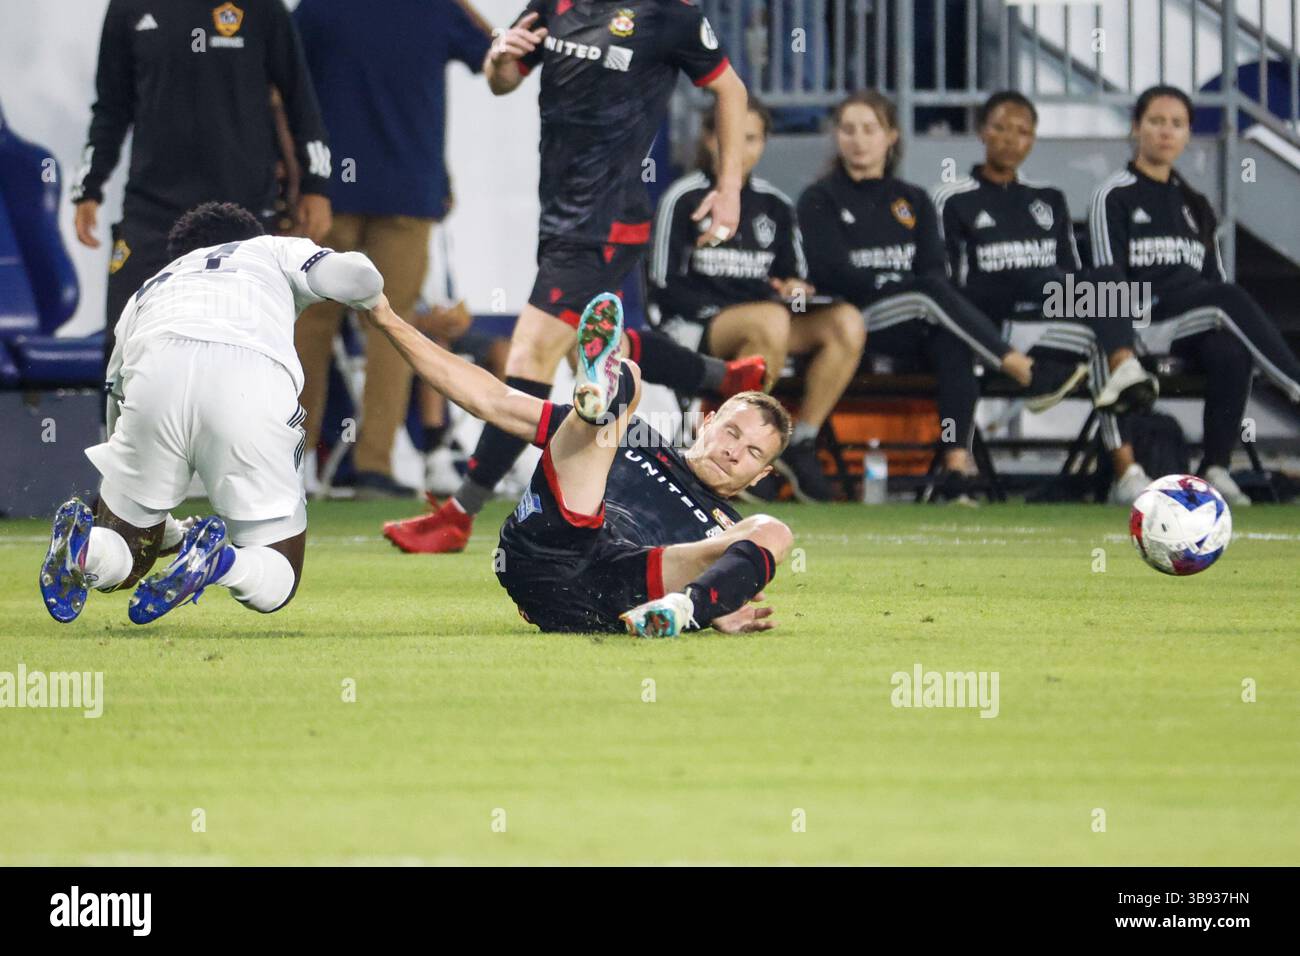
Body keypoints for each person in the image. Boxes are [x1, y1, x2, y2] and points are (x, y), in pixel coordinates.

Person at [385, 0, 765, 553]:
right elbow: (503, 80)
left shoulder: (669, 16)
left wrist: (727, 187)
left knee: (529, 356)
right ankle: (721, 378)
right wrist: (499, 58)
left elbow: (730, 89)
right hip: (560, 214)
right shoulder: (554, 5)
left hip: (608, 219)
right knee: (586, 346)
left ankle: (459, 512)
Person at [366, 290, 792, 637]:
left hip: (619, 591)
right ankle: (601, 398)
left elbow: (731, 568)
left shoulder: (729, 533)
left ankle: (683, 611)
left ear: (761, 474)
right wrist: (388, 317)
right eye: (733, 433)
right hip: (553, 540)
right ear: (708, 422)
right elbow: (492, 400)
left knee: (773, 530)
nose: (734, 452)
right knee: (630, 382)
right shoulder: (639, 437)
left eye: (753, 453)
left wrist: (720, 601)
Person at [38, 202, 382, 626]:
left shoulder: (151, 288)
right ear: (250, 234)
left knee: (128, 557)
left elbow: (117, 399)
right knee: (278, 577)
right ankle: (220, 562)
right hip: (248, 376)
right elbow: (359, 277)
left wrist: (137, 506)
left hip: (157, 372)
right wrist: (374, 299)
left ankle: (86, 550)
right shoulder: (269, 249)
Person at [797, 91, 1086, 500]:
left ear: (891, 136)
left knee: (952, 338)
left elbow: (933, 266)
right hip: (854, 323)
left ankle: (955, 470)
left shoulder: (913, 198)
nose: (858, 140)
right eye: (848, 130)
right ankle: (1024, 370)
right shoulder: (819, 198)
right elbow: (832, 272)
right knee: (928, 293)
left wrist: (906, 286)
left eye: (869, 129)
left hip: (913, 319)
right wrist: (895, 283)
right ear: (837, 137)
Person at [291, 0, 493, 498]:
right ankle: (375, 464)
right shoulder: (437, 9)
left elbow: (284, 84)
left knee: (308, 325)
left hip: (329, 190)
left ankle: (289, 461)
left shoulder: (318, 9)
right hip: (408, 188)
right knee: (392, 326)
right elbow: (493, 51)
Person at [71, 0, 332, 374]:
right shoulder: (128, 7)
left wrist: (316, 186)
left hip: (241, 220)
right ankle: (127, 434)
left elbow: (301, 101)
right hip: (151, 214)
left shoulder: (262, 9)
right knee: (125, 348)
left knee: (245, 354)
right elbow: (111, 108)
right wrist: (89, 187)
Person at [932, 90, 1161, 505]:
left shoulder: (1048, 198)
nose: (1010, 139)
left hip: (1047, 314)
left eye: (1022, 131)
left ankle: (1127, 472)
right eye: (1000, 128)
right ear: (983, 132)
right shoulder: (952, 197)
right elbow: (948, 285)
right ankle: (961, 469)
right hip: (992, 321)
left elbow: (1071, 273)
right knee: (1067, 289)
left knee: (1106, 286)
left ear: (1033, 140)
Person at [1090, 85, 1300, 506]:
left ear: (1187, 135)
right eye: (1156, 122)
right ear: (1136, 128)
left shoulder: (1196, 204)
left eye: (1177, 124)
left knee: (1231, 347)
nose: (1166, 132)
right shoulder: (1113, 195)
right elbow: (1106, 276)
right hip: (1143, 319)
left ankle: (1215, 468)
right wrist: (1121, 342)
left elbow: (1214, 277)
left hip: (1194, 317)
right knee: (1226, 300)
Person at [650, 96, 866, 501]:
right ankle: (737, 451)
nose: (739, 148)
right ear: (710, 139)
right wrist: (743, 308)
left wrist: (794, 290)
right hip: (696, 327)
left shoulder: (776, 205)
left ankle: (801, 442)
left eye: (751, 138)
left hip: (770, 322)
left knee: (846, 323)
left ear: (764, 143)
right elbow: (663, 286)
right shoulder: (682, 198)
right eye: (730, 135)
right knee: (768, 321)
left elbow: (793, 276)